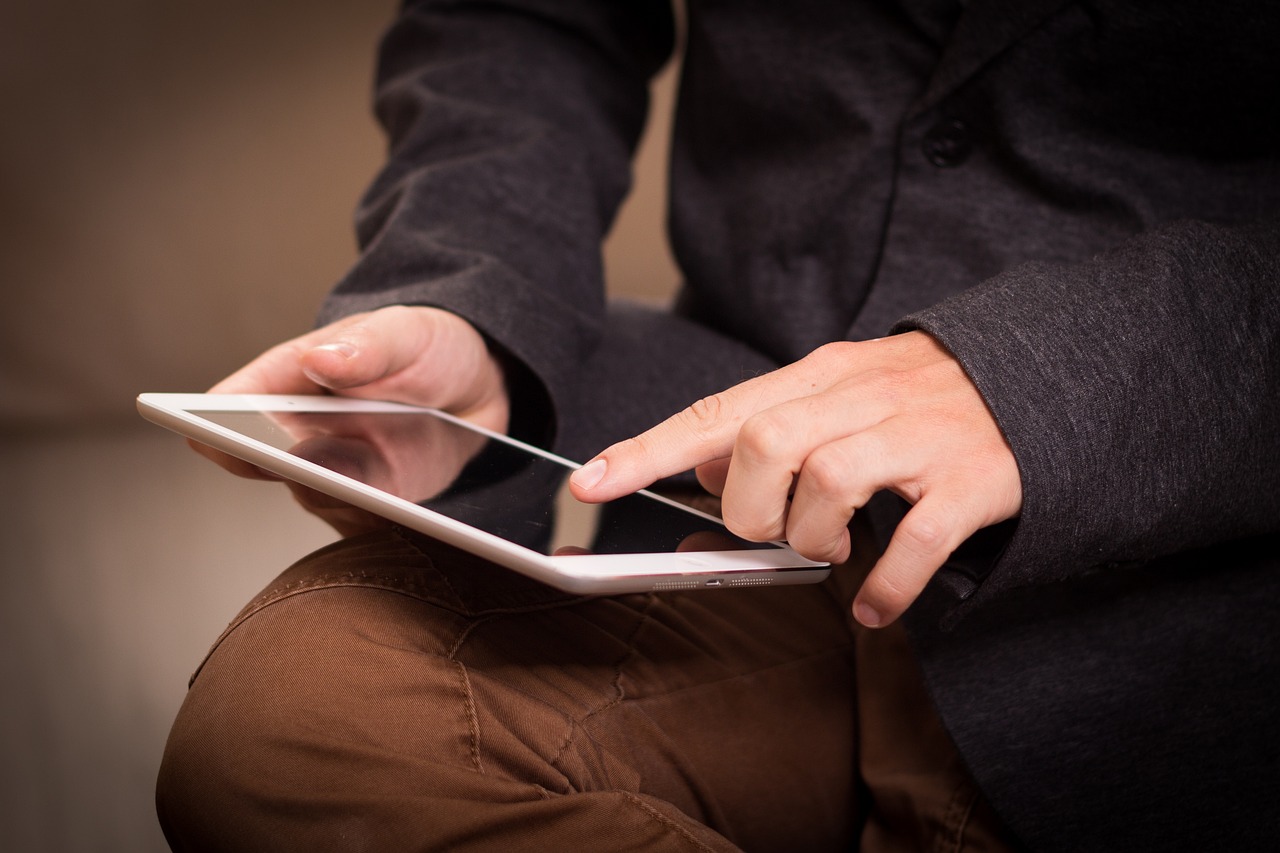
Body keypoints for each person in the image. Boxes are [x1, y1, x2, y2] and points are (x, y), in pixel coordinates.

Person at [156, 1, 1280, 850]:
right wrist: (478, 300)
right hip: (739, 524)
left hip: (1192, 606)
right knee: (298, 722)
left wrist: (1044, 382)